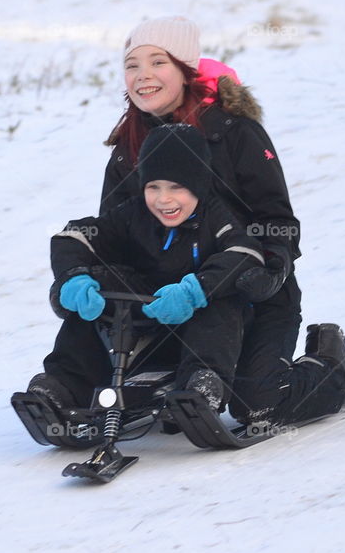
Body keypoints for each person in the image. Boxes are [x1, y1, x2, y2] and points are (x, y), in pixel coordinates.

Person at [93, 16, 345, 426]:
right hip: (171, 301)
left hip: (250, 293)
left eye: (157, 62)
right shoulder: (128, 147)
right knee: (132, 392)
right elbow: (117, 233)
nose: (142, 76)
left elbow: (277, 219)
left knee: (256, 404)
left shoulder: (234, 132)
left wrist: (270, 268)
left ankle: (332, 366)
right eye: (132, 65)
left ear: (185, 70)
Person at [31, 123, 264, 423]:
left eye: (176, 187)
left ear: (198, 184)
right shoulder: (134, 214)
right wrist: (72, 275)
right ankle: (65, 384)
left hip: (202, 331)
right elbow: (74, 236)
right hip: (148, 323)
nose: (163, 199)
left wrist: (195, 290)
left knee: (220, 303)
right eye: (153, 187)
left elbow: (246, 254)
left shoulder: (216, 217)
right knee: (93, 294)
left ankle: (203, 385)